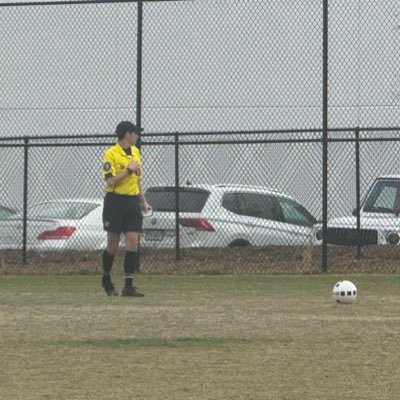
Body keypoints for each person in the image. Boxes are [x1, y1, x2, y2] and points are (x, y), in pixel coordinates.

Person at [101, 121, 150, 297]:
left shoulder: (136, 153)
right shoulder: (111, 154)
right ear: (127, 134)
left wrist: (143, 201)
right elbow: (110, 181)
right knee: (112, 244)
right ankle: (106, 279)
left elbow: (137, 181)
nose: (137, 136)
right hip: (115, 202)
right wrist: (128, 170)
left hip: (131, 202)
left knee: (133, 241)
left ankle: (128, 285)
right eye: (135, 133)